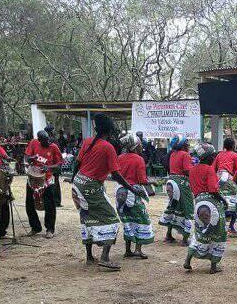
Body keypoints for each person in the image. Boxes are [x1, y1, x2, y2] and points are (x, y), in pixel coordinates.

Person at [70, 113, 133, 271]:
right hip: (90, 186)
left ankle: (89, 256)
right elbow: (116, 175)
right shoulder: (108, 147)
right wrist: (132, 188)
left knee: (86, 217)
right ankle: (104, 258)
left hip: (79, 182)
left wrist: (73, 180)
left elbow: (77, 163)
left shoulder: (88, 141)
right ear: (109, 130)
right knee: (112, 219)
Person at [184, 143, 227, 274]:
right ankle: (213, 267)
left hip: (198, 203)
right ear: (209, 157)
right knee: (218, 233)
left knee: (199, 233)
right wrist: (223, 200)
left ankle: (187, 260)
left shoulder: (192, 170)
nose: (214, 157)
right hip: (211, 204)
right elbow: (213, 189)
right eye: (213, 155)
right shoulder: (209, 169)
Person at [116, 132, 154, 259]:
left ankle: (128, 250)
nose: (141, 147)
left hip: (120, 192)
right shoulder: (139, 159)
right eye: (140, 145)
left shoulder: (120, 157)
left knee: (127, 221)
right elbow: (142, 180)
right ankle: (138, 249)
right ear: (135, 146)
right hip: (133, 192)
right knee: (141, 220)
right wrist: (152, 182)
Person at [24, 130, 63, 238]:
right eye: (45, 140)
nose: (47, 142)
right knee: (29, 204)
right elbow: (27, 158)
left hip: (47, 180)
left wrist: (48, 167)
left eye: (48, 139)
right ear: (39, 140)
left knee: (50, 205)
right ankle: (35, 227)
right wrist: (31, 158)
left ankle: (50, 229)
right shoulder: (34, 143)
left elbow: (59, 165)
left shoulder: (54, 147)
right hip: (33, 178)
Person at [159, 134, 195, 245]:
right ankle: (185, 239)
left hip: (171, 182)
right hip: (181, 184)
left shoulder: (173, 154)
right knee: (187, 209)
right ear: (183, 145)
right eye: (187, 143)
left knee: (173, 208)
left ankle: (168, 235)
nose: (188, 145)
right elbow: (187, 170)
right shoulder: (185, 155)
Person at [213, 137, 237, 234]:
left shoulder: (219, 155)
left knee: (220, 202)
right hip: (229, 180)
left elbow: (213, 168)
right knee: (234, 203)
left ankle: (219, 227)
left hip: (218, 179)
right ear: (233, 146)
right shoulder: (235, 155)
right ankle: (231, 227)